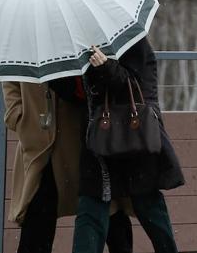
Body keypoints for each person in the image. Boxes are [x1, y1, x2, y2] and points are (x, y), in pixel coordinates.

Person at [72, 37, 185, 253]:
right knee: (90, 209)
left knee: (150, 208)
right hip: (100, 142)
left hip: (135, 139)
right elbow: (79, 93)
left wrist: (106, 67)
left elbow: (138, 89)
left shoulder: (135, 43)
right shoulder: (86, 44)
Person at [2, 80, 133, 253]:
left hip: (81, 140)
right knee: (37, 220)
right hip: (40, 146)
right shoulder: (20, 51)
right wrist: (19, 118)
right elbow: (10, 81)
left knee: (108, 212)